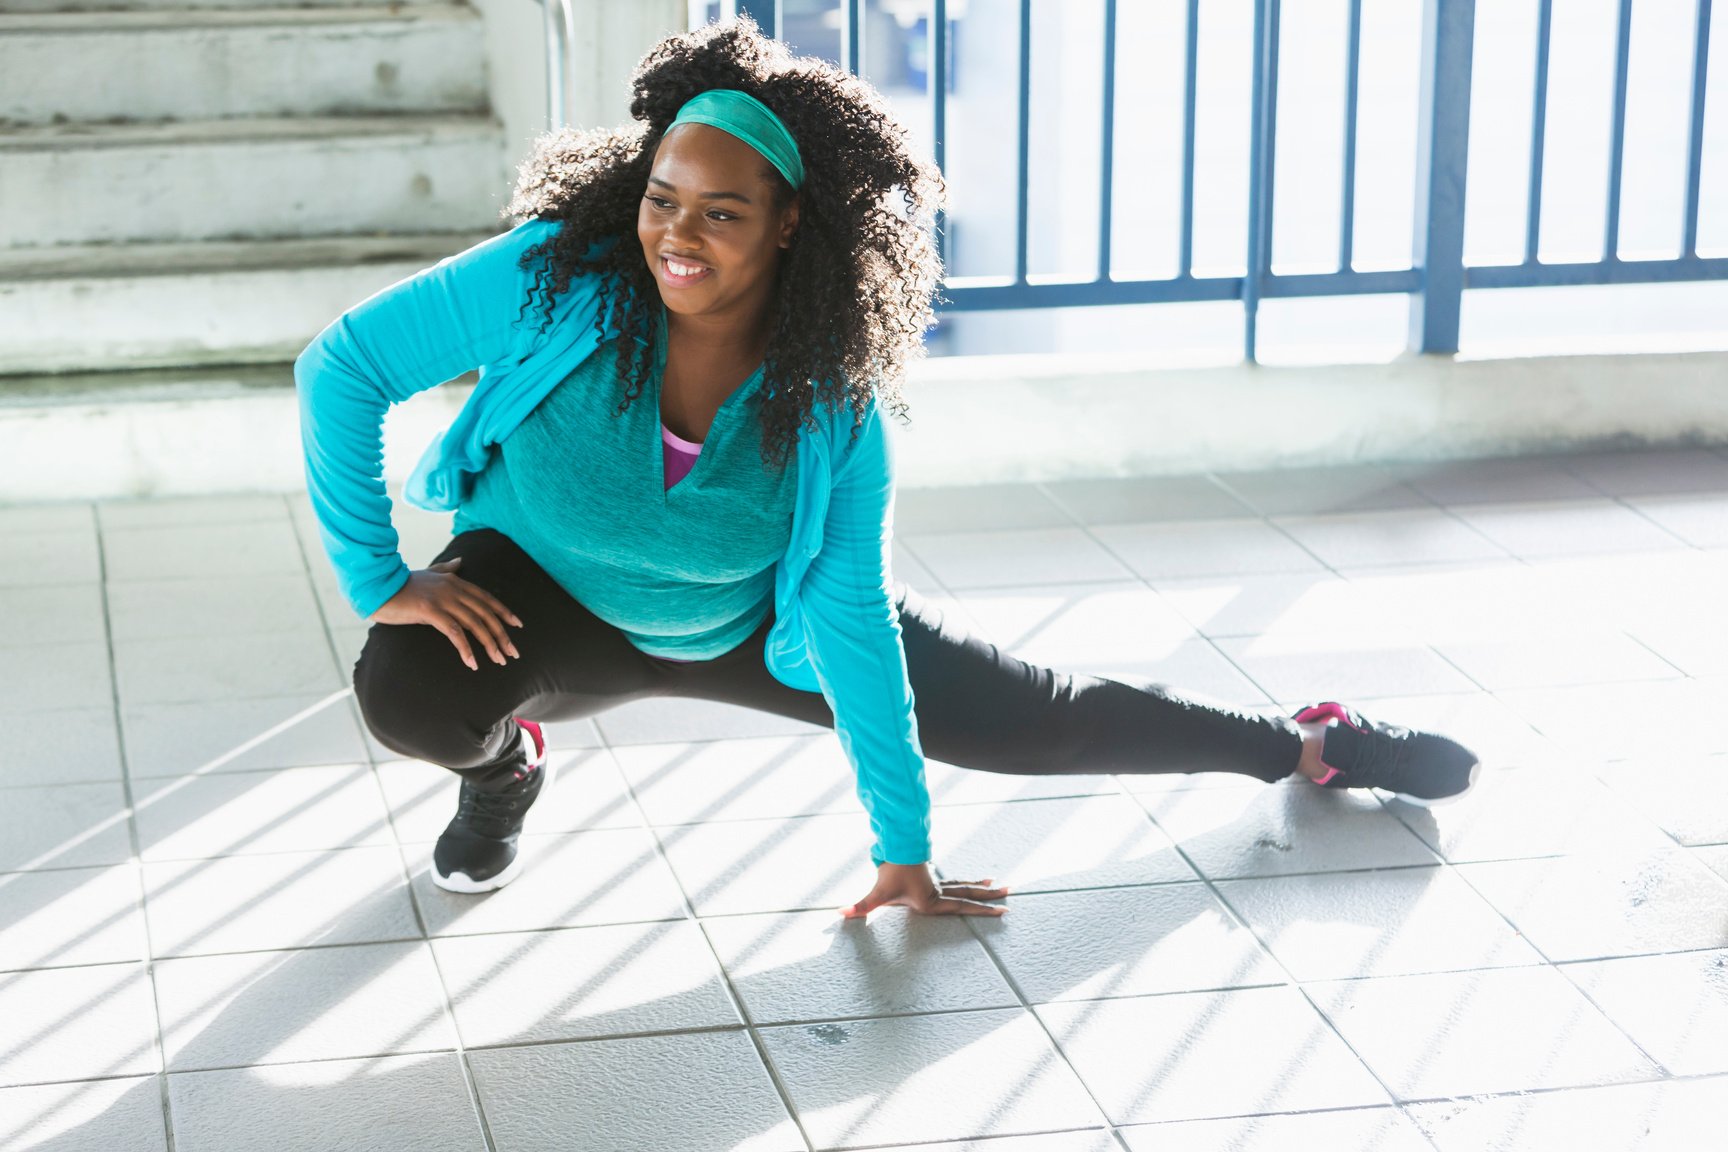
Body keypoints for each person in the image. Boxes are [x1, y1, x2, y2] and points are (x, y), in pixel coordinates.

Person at [296, 19, 1479, 921]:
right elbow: (343, 368)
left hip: (752, 626)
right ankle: (504, 774)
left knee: (1044, 721)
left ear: (790, 223)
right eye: (662, 199)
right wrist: (378, 573)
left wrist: (900, 847)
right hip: (538, 606)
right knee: (408, 690)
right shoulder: (557, 274)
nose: (676, 235)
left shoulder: (832, 403)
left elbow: (852, 617)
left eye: (720, 212)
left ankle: (1303, 741)